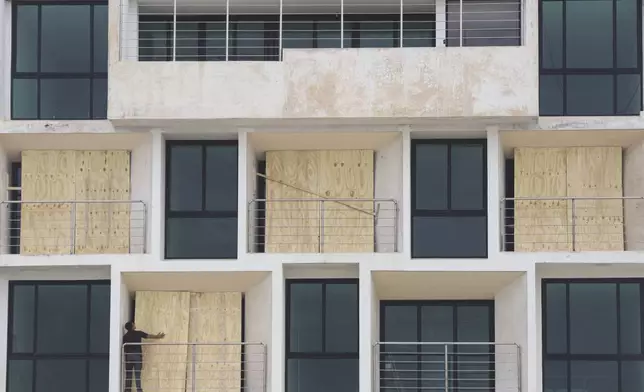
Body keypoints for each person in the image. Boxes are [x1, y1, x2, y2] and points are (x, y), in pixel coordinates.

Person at [123, 321, 166, 392]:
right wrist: (158, 336)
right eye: (133, 324)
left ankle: (127, 390)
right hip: (137, 356)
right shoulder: (138, 333)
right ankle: (139, 390)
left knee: (128, 374)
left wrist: (126, 358)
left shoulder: (125, 336)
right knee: (137, 375)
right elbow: (148, 336)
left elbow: (125, 349)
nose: (134, 324)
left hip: (129, 357)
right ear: (132, 326)